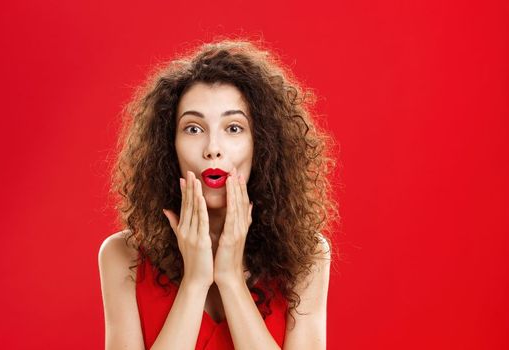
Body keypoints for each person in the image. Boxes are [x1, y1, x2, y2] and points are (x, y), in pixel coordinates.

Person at [98, 39, 339, 350]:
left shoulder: (309, 256)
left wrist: (230, 280)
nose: (213, 149)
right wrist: (195, 282)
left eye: (234, 128)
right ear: (168, 146)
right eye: (194, 129)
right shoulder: (122, 254)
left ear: (261, 144)